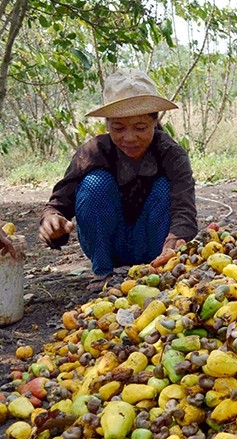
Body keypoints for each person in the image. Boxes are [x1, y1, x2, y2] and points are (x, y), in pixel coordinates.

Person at [39, 69, 197, 292]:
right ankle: (102, 272)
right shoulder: (93, 152)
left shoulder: (172, 154)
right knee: (95, 183)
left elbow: (184, 209)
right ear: (107, 124)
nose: (129, 137)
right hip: (109, 244)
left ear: (155, 121)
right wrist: (53, 221)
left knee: (163, 187)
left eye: (140, 127)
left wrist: (177, 238)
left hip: (155, 243)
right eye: (118, 128)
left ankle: (157, 270)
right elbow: (57, 205)